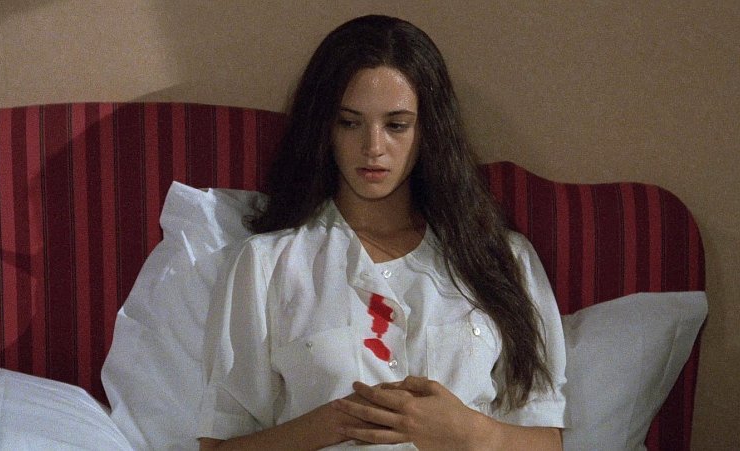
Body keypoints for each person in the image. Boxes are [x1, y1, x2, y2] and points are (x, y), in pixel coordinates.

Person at [197, 14, 566, 450]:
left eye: (396, 125)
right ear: (324, 128)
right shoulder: (265, 265)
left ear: (428, 130)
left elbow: (546, 440)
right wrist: (332, 423)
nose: (373, 147)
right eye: (350, 122)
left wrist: (466, 432)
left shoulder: (503, 259)